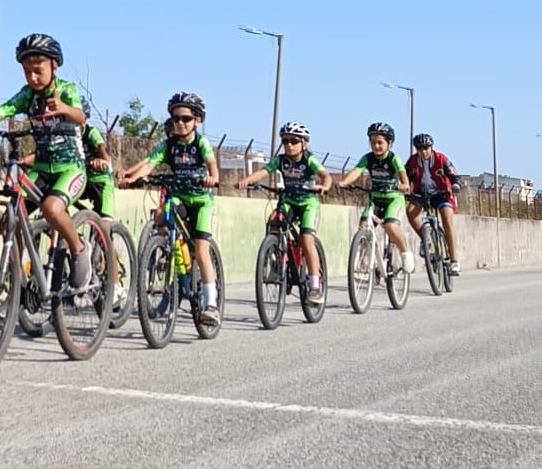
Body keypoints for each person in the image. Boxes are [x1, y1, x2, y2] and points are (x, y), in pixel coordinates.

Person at [0, 33, 92, 288]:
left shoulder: (66, 90)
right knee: (11, 218)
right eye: (26, 71)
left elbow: (80, 116)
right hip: (40, 170)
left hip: (71, 169)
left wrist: (64, 108)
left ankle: (79, 248)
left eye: (37, 70)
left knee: (52, 209)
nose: (32, 77)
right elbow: (0, 113)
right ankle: (18, 278)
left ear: (55, 65)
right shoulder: (27, 95)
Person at [120, 92, 221, 325]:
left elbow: (212, 165)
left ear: (198, 120)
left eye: (186, 118)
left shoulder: (201, 143)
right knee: (160, 214)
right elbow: (150, 164)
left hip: (201, 201)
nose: (180, 123)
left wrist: (213, 178)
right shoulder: (169, 144)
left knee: (202, 251)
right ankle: (165, 251)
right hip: (179, 198)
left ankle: (211, 304)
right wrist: (133, 178)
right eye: (176, 118)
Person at [236, 122, 332, 305]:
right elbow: (264, 171)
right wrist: (245, 181)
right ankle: (276, 262)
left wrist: (324, 186)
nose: (289, 145)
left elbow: (325, 176)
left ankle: (315, 287)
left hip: (308, 203)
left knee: (306, 240)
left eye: (294, 141)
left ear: (303, 144)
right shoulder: (280, 160)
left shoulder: (308, 160)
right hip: (288, 201)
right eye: (285, 141)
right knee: (274, 221)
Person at [337, 122, 416, 274]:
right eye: (373, 142)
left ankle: (406, 253)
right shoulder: (367, 158)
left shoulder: (394, 158)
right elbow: (356, 171)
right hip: (375, 199)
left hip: (393, 199)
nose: (376, 146)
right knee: (363, 227)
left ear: (389, 143)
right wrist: (343, 182)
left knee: (390, 226)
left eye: (380, 142)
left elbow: (403, 178)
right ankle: (368, 261)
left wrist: (404, 185)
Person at [405, 133, 462, 276]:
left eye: (426, 148)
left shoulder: (441, 159)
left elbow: (454, 175)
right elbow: (404, 176)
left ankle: (454, 261)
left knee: (447, 219)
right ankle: (426, 240)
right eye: (420, 149)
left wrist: (455, 184)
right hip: (422, 194)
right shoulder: (412, 161)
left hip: (443, 194)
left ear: (431, 147)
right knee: (411, 212)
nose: (423, 151)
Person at [77, 97, 116, 220]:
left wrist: (104, 162)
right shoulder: (67, 136)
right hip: (83, 179)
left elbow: (102, 148)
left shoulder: (91, 133)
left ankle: (104, 236)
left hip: (101, 180)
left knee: (104, 219)